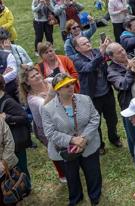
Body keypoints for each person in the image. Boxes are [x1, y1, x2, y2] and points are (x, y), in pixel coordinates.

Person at [41, 74, 102, 206]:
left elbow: (95, 118)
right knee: (72, 176)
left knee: (93, 173)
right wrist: (73, 140)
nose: (71, 87)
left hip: (89, 145)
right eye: (66, 86)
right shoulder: (47, 109)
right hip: (66, 150)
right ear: (57, 89)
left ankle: (95, 196)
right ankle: (76, 198)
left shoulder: (85, 99)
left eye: (72, 83)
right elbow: (50, 133)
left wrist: (84, 139)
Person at [72, 36, 122, 153]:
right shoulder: (77, 60)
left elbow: (109, 58)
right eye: (84, 43)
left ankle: (114, 138)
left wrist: (110, 47)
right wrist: (101, 53)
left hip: (106, 92)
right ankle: (99, 145)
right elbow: (89, 67)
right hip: (92, 97)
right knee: (96, 122)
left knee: (112, 119)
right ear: (77, 48)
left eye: (88, 41)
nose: (88, 44)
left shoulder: (96, 52)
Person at [19, 65, 66, 182]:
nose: (37, 76)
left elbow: (66, 84)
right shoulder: (32, 99)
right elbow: (44, 109)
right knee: (55, 150)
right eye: (32, 76)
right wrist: (52, 93)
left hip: (61, 119)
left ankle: (71, 162)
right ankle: (62, 174)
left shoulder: (49, 81)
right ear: (27, 82)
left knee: (66, 144)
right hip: (46, 128)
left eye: (37, 73)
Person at [106, 42, 135, 156]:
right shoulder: (111, 71)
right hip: (129, 104)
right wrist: (131, 70)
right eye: (119, 52)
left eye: (122, 49)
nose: (123, 53)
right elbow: (123, 85)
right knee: (133, 133)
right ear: (111, 57)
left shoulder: (131, 57)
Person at [0, 77, 31, 178]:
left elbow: (25, 117)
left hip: (16, 142)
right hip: (6, 142)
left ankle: (26, 186)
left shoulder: (8, 101)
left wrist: (7, 117)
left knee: (21, 168)